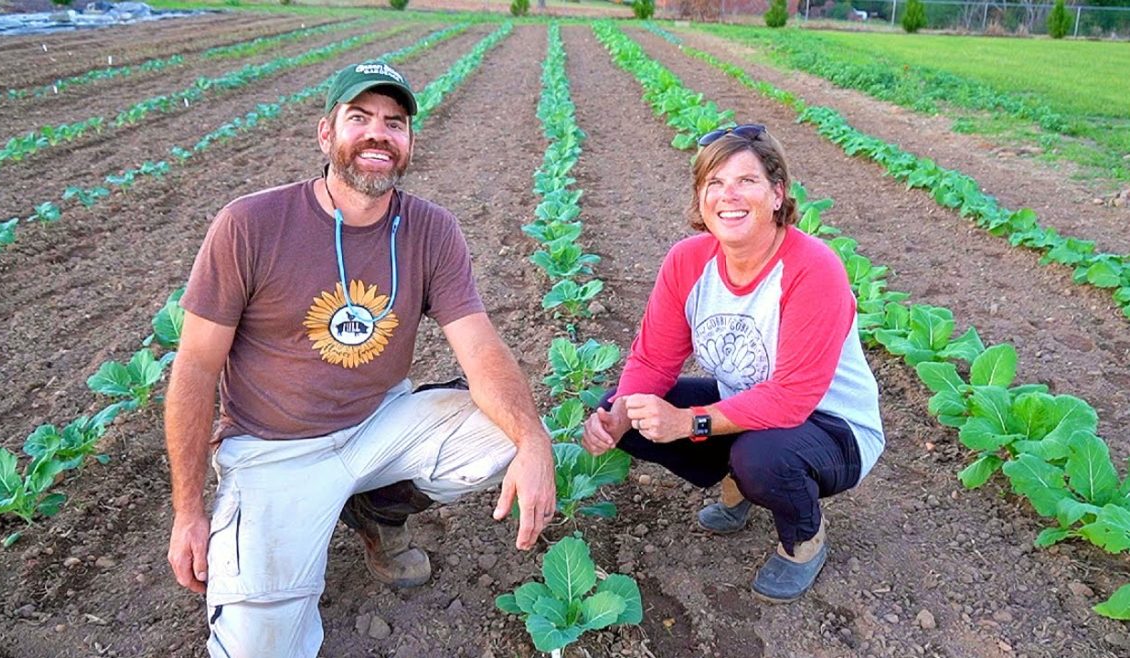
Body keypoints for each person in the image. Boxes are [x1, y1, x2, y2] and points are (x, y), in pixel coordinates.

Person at [164, 60, 556, 657]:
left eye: (394, 123)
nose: (378, 134)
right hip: (276, 450)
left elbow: (480, 346)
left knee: (505, 433)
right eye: (360, 118)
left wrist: (534, 443)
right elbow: (194, 369)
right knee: (258, 651)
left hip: (378, 425)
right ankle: (279, 529)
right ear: (327, 134)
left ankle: (375, 509)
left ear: (408, 142)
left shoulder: (431, 229)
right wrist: (188, 511)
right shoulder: (250, 225)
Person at [582, 124, 884, 603]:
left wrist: (689, 422)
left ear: (777, 193)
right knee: (634, 411)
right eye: (714, 183)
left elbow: (791, 399)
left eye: (747, 181)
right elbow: (653, 358)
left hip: (832, 426)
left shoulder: (812, 269)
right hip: (746, 407)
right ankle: (736, 486)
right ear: (701, 197)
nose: (730, 196)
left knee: (762, 458)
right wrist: (617, 417)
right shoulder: (687, 261)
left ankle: (803, 539)